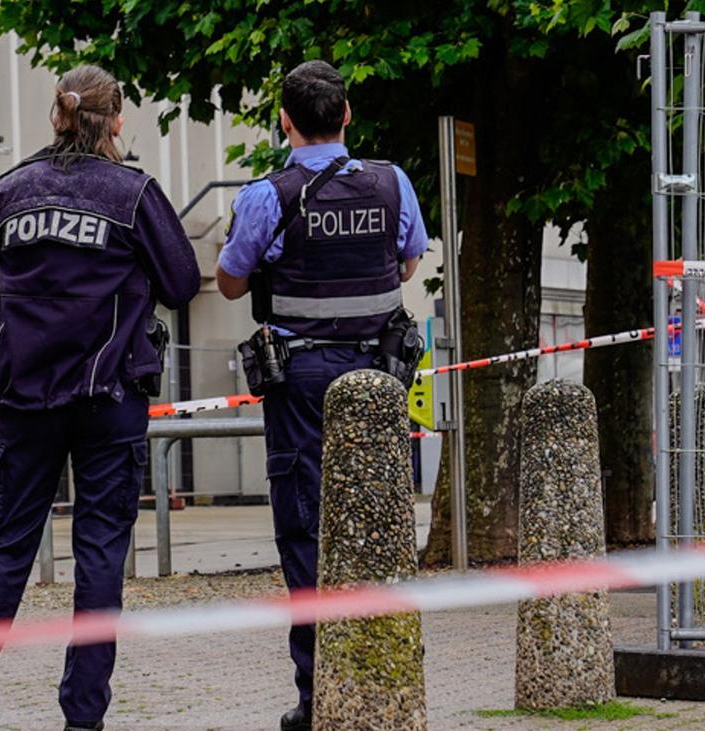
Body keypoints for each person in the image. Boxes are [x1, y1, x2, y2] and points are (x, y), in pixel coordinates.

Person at [0, 64, 200, 731]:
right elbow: (182, 282)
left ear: (57, 114)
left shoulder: (7, 191)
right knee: (100, 556)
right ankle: (83, 716)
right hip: (108, 396)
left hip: (26, 397)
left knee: (3, 549)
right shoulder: (134, 193)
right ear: (116, 120)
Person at [214, 61, 428, 731]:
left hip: (302, 381)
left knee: (306, 526)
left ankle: (318, 694)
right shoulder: (392, 183)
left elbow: (228, 282)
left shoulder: (266, 196)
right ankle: (385, 676)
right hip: (380, 376)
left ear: (285, 121)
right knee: (380, 519)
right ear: (347, 114)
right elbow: (408, 262)